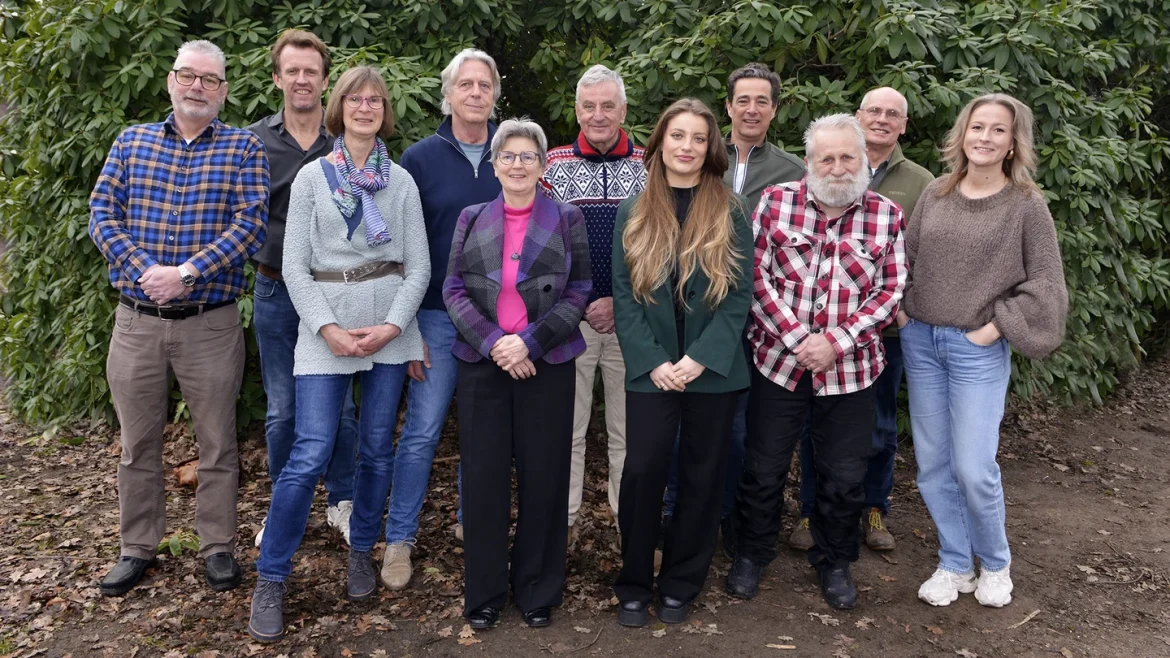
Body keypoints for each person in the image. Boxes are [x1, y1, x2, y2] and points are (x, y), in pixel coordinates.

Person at [247, 66, 430, 642]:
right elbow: (294, 266)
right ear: (339, 107)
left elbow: (418, 264)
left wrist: (393, 325)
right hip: (324, 332)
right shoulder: (310, 179)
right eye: (357, 98)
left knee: (377, 450)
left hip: (387, 332)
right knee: (310, 450)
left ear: (385, 111)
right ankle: (272, 575)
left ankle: (361, 548)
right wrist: (326, 327)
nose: (366, 107)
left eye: (377, 99)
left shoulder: (399, 182)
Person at [88, 39, 269, 597]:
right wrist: (148, 271)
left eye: (209, 80)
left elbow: (251, 225)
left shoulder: (243, 148)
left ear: (224, 91)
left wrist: (187, 273)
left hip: (209, 324)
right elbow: (101, 213)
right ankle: (137, 547)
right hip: (137, 320)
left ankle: (217, 546)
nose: (197, 87)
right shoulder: (132, 141)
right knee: (137, 441)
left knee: (217, 441)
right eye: (188, 76)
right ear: (170, 81)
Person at [726, 114, 907, 610]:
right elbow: (755, 279)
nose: (838, 166)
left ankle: (835, 561)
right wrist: (798, 338)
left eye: (848, 156)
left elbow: (891, 291)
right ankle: (752, 553)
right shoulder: (775, 204)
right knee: (763, 467)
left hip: (851, 371)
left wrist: (837, 342)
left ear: (864, 159)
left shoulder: (887, 215)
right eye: (826, 157)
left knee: (845, 474)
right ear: (808, 163)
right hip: (778, 365)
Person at [898, 93, 1067, 608]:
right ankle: (954, 563)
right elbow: (905, 256)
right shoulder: (936, 192)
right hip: (921, 342)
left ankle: (994, 562)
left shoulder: (1026, 206)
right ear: (962, 133)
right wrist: (903, 312)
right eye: (977, 127)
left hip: (976, 349)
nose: (985, 138)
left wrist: (994, 329)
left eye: (998, 130)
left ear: (1014, 142)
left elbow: (1048, 285)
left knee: (973, 467)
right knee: (932, 465)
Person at [444, 118, 592, 630]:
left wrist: (529, 342)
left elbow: (579, 290)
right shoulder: (472, 216)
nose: (517, 164)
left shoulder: (567, 217)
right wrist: (495, 344)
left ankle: (537, 589)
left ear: (543, 163)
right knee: (483, 481)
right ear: (494, 163)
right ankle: (483, 592)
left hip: (546, 363)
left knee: (544, 478)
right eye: (507, 156)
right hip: (483, 365)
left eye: (528, 156)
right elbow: (454, 290)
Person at [611, 98, 753, 628]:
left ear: (710, 146)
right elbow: (624, 296)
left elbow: (739, 295)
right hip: (652, 373)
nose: (687, 147)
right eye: (678, 136)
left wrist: (698, 360)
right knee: (643, 471)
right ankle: (632, 583)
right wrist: (652, 363)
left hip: (711, 373)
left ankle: (680, 583)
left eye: (697, 138)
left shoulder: (731, 209)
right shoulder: (635, 208)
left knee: (701, 476)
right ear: (661, 142)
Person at [661, 62, 806, 553]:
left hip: (762, 323)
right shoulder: (699, 159)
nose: (751, 108)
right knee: (682, 424)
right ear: (727, 107)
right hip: (697, 315)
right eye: (742, 99)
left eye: (761, 100)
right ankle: (676, 510)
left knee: (740, 430)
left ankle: (727, 518)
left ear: (774, 108)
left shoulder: (793, 171)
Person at [790, 86, 934, 552]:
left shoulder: (920, 182)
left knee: (879, 427)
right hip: (814, 335)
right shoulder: (825, 164)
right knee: (816, 424)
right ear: (858, 116)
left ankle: (873, 509)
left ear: (904, 125)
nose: (882, 119)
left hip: (883, 331)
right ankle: (812, 513)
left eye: (894, 113)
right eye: (874, 110)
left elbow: (922, 255)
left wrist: (905, 307)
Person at [247, 29, 359, 548]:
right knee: (284, 409)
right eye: (291, 70)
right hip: (275, 294)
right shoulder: (253, 142)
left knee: (342, 408)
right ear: (277, 78)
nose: (301, 79)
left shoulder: (348, 145)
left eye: (310, 71)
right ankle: (284, 508)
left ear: (324, 80)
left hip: (338, 294)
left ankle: (342, 500)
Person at [398, 48, 503, 552]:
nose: (476, 93)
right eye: (466, 85)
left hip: (497, 320)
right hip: (436, 318)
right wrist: (408, 327)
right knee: (423, 431)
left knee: (483, 434)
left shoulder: (511, 153)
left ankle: (472, 522)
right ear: (448, 93)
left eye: (485, 85)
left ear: (496, 95)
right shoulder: (419, 159)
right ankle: (400, 536)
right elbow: (399, 246)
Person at [540, 65, 646, 546]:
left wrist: (619, 305)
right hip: (570, 324)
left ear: (623, 110)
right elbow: (541, 248)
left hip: (633, 323)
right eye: (589, 105)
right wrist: (580, 304)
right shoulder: (552, 165)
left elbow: (661, 249)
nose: (598, 115)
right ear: (577, 110)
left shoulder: (652, 165)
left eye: (608, 105)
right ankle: (562, 525)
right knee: (567, 431)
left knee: (630, 436)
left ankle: (631, 527)